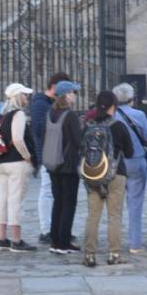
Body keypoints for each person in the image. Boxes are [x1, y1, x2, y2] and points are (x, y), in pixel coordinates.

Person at [80, 91, 135, 267]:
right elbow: (130, 152)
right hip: (116, 174)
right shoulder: (118, 126)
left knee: (93, 216)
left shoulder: (88, 126)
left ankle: (89, 255)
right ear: (114, 106)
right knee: (114, 216)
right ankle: (114, 254)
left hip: (93, 175)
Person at [0, 83, 38, 253]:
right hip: (16, 162)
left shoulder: (2, 116)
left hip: (1, 162)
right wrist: (28, 157)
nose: (27, 98)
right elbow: (18, 139)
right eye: (25, 95)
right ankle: (16, 240)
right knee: (16, 201)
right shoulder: (18, 114)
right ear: (18, 97)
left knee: (2, 200)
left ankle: (1, 238)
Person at [31, 72, 70, 245]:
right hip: (47, 153)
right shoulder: (40, 104)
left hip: (57, 153)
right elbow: (39, 129)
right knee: (47, 191)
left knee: (57, 193)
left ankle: (58, 228)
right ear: (54, 87)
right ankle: (46, 229)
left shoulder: (53, 104)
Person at [113, 82, 147, 253]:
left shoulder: (112, 115)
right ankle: (135, 243)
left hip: (117, 162)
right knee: (135, 203)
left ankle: (114, 241)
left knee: (116, 204)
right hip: (136, 160)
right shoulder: (139, 114)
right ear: (131, 98)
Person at [48, 79, 84, 254]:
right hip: (68, 165)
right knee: (69, 204)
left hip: (53, 163)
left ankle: (55, 240)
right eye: (73, 93)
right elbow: (78, 141)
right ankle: (64, 242)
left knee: (58, 202)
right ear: (67, 95)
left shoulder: (50, 113)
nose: (75, 96)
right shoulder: (70, 116)